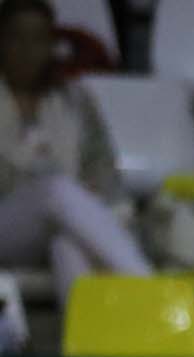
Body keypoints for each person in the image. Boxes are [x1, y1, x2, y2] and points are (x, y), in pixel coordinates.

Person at [0, 0, 150, 286]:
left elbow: (104, 174)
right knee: (55, 190)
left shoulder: (75, 101)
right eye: (16, 38)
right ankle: (149, 288)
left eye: (37, 39)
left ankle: (90, 331)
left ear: (51, 45)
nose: (26, 50)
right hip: (6, 229)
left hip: (61, 224)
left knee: (68, 246)